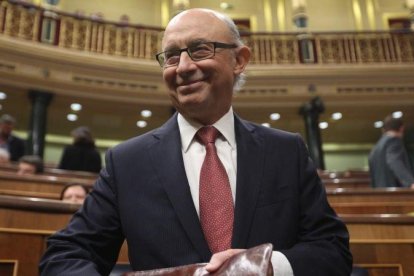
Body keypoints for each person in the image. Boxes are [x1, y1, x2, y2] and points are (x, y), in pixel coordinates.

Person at [39, 9, 352, 276]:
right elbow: (65, 255)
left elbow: (332, 249)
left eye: (200, 49)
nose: (184, 67)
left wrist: (266, 265)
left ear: (240, 59)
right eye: (171, 56)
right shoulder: (127, 162)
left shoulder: (286, 151)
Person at [369, 115, 414, 188]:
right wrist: (411, 183)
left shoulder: (376, 147)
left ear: (383, 130)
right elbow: (394, 161)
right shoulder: (394, 141)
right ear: (401, 128)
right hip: (394, 192)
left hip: (378, 192)